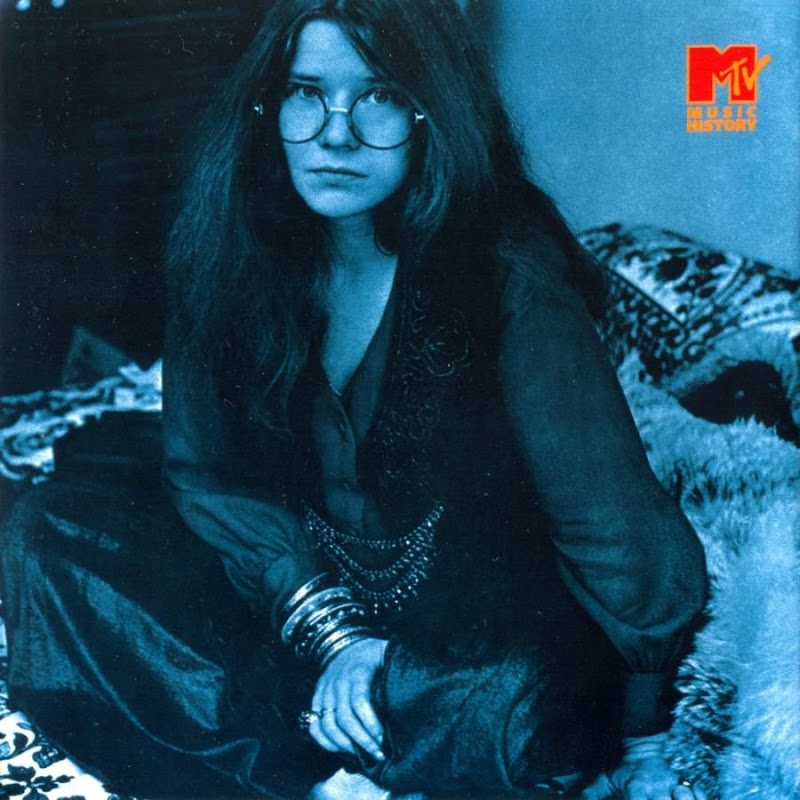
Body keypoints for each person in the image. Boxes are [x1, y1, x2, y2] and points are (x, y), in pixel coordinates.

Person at [1, 1, 708, 798]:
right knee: (51, 534)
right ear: (268, 108)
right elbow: (207, 477)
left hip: (468, 617)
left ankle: (312, 742)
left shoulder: (505, 263)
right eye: (306, 93)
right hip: (290, 598)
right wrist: (333, 636)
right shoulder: (224, 240)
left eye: (379, 96)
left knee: (520, 711)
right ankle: (330, 748)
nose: (335, 136)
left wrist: (646, 735)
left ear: (430, 111)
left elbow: (606, 519)